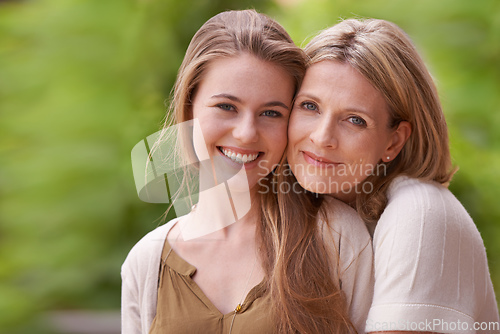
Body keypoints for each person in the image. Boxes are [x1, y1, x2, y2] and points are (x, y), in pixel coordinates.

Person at [122, 10, 373, 334]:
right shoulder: (147, 262)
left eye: (271, 112)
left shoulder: (337, 238)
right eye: (227, 107)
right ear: (189, 108)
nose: (246, 133)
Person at [286, 18, 500, 333]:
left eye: (355, 120)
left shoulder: (421, 212)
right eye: (309, 106)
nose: (322, 137)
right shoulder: (310, 210)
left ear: (394, 140)